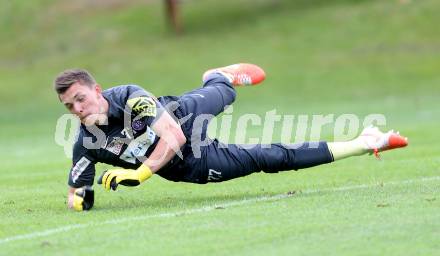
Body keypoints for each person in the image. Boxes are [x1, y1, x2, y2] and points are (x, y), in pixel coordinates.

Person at [54, 64, 408, 211]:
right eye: (70, 107)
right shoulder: (87, 142)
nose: (78, 109)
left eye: (81, 99)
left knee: (226, 91)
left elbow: (173, 135)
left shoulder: (130, 96)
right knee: (268, 158)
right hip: (194, 163)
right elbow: (76, 191)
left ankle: (220, 76)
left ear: (97, 90)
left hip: (181, 115)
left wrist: (140, 173)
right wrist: (80, 200)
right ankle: (367, 142)